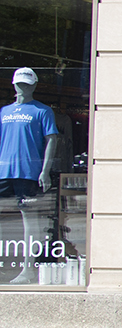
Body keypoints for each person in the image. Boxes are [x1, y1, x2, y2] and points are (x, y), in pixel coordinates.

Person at [0, 67, 61, 284]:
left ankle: (28, 269)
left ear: (34, 85)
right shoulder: (4, 112)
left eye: (26, 84)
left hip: (28, 172)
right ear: (13, 85)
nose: (22, 88)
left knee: (28, 219)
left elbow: (51, 139)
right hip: (3, 171)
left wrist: (44, 171)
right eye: (19, 84)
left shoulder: (42, 111)